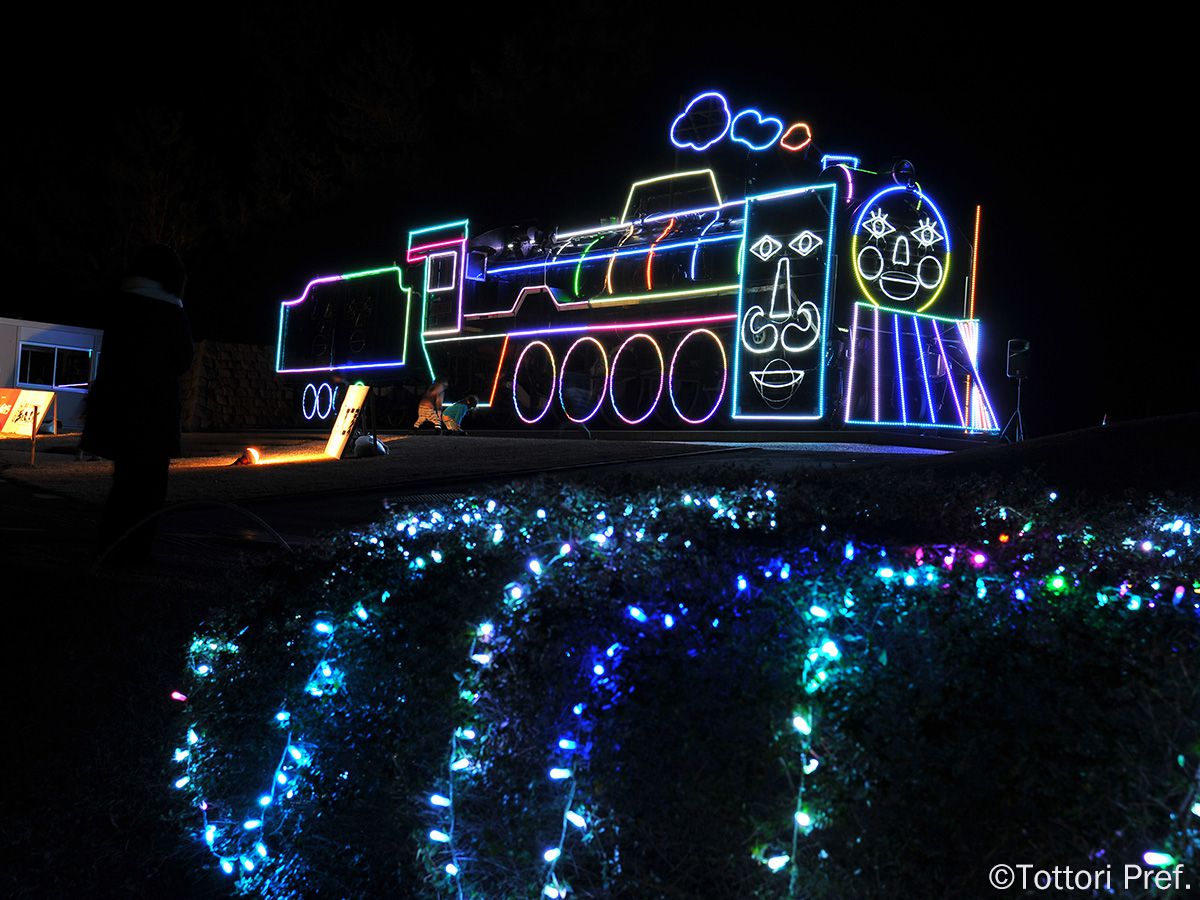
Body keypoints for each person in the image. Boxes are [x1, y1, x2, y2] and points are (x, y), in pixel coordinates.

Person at [81, 244, 193, 561]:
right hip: (156, 412)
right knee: (151, 486)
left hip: (118, 408)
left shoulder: (121, 302)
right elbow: (184, 359)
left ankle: (111, 546)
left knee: (124, 482)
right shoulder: (171, 311)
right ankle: (136, 551)